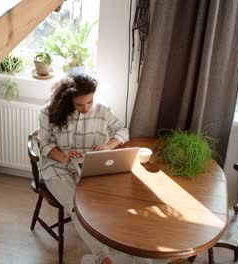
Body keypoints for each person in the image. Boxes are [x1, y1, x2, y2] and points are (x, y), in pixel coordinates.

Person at [38, 74, 168, 264]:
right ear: (67, 101)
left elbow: (122, 131)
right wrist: (64, 157)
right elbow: (44, 145)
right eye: (79, 105)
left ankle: (132, 248)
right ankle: (103, 257)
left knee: (117, 200)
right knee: (75, 206)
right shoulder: (47, 112)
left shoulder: (102, 109)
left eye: (89, 102)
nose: (86, 109)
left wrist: (108, 147)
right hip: (58, 167)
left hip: (91, 165)